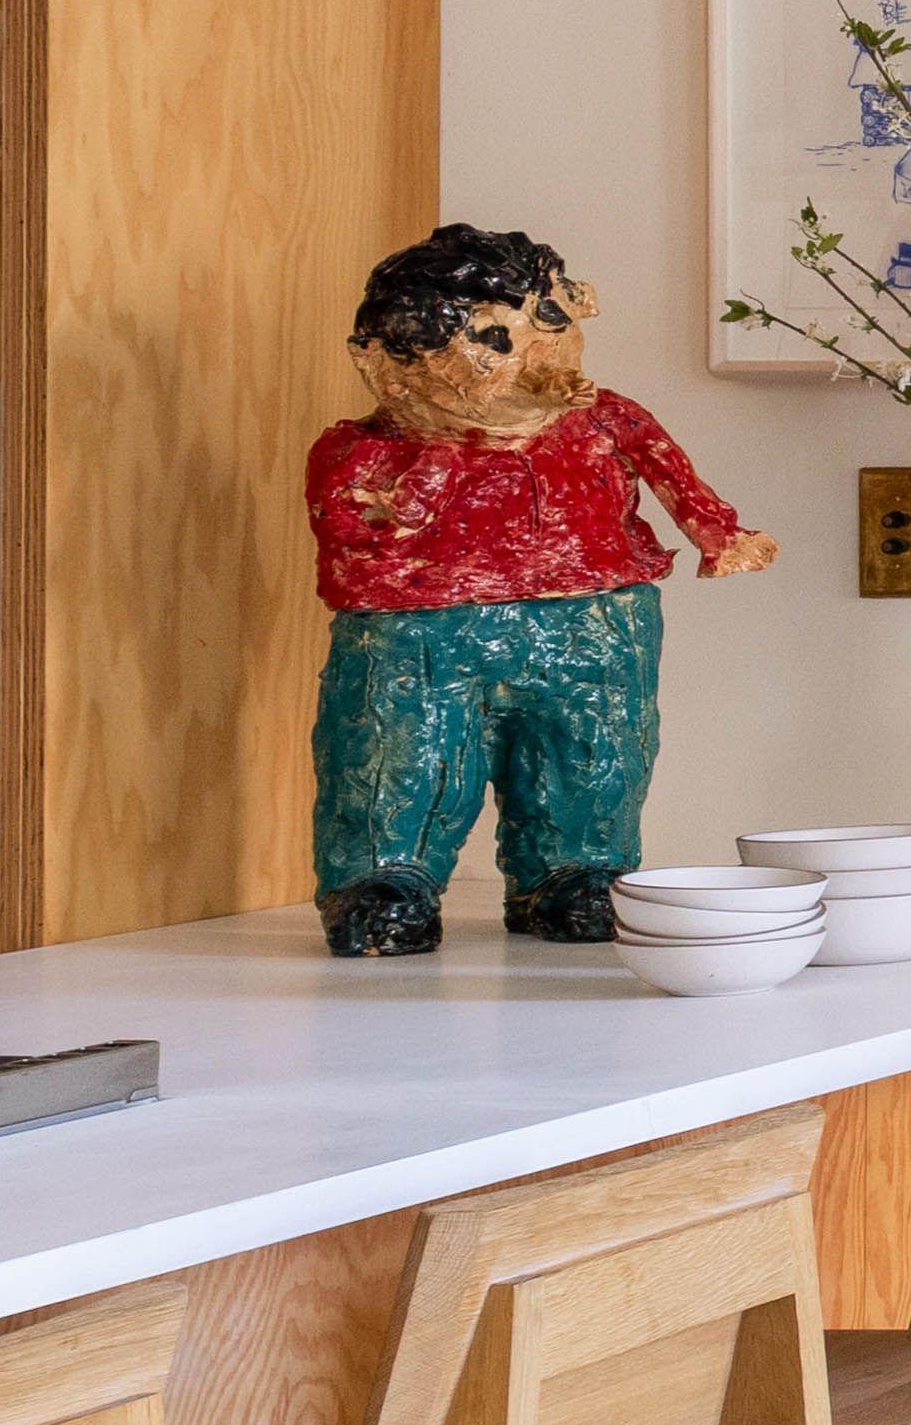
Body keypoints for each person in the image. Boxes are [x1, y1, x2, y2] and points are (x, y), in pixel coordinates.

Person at [306, 220, 773, 954]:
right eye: (493, 339)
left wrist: (718, 533)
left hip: (593, 618)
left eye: (549, 319)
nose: (538, 354)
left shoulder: (603, 420)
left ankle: (573, 872)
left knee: (591, 751)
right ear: (389, 367)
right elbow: (351, 528)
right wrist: (430, 469)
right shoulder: (362, 451)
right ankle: (384, 880)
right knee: (404, 755)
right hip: (419, 630)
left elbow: (669, 471)